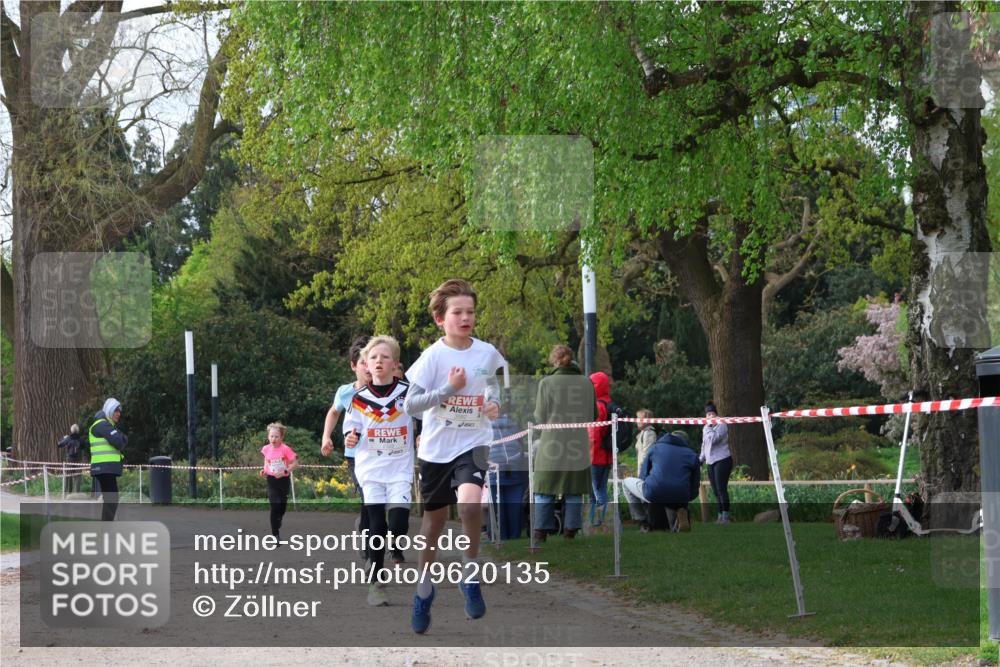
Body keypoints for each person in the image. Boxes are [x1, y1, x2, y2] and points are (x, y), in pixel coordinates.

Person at [403, 278, 506, 633]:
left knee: (470, 505)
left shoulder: (487, 352)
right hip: (435, 449)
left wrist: (494, 403)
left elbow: (494, 384)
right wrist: (449, 389)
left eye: (471, 312)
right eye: (457, 312)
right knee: (433, 524)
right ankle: (424, 589)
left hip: (473, 442)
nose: (466, 318)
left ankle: (470, 571)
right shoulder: (432, 357)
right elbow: (411, 404)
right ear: (439, 319)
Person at [344, 336, 415, 607]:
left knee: (397, 526)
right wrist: (350, 437)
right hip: (370, 469)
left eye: (385, 357)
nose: (379, 362)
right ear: (366, 365)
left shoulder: (408, 393)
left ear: (395, 363)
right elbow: (352, 428)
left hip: (399, 469)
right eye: (373, 358)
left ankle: (391, 544)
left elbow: (425, 415)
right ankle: (375, 582)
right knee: (376, 524)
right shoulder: (359, 399)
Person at [533, 345, 593, 542]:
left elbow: (540, 416)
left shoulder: (546, 383)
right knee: (574, 489)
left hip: (552, 442)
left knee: (544, 487)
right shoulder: (586, 383)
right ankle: (570, 532)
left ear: (554, 361)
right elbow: (594, 415)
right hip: (578, 442)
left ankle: (541, 532)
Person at [321, 336, 371, 560]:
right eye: (363, 362)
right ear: (353, 366)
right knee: (368, 497)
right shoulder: (345, 392)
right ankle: (370, 542)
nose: (369, 367)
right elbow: (333, 412)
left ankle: (366, 528)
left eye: (372, 360)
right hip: (355, 455)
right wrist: (326, 437)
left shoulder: (388, 390)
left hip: (384, 454)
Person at [622, 430, 700, 532]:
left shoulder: (655, 448)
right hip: (681, 497)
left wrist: (645, 495)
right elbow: (694, 486)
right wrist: (686, 500)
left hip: (655, 492)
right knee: (674, 504)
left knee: (626, 483)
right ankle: (679, 518)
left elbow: (643, 474)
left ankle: (642, 520)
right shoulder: (692, 455)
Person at [486, 390, 527, 541]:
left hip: (493, 469)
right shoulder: (513, 423)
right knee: (514, 503)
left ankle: (499, 536)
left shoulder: (483, 426)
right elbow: (521, 446)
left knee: (498, 504)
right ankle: (515, 535)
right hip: (514, 467)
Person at [89, 398, 127, 521]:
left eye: (119, 411)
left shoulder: (107, 425)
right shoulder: (102, 424)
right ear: (109, 410)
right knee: (111, 499)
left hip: (105, 468)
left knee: (111, 499)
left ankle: (105, 530)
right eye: (116, 410)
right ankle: (105, 531)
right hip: (104, 467)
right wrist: (120, 437)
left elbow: (123, 439)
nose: (118, 414)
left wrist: (121, 437)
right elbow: (120, 442)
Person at [259, 422, 299, 540]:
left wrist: (285, 471)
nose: (273, 439)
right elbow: (267, 461)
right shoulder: (266, 449)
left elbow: (296, 463)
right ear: (268, 437)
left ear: (281, 437)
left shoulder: (285, 449)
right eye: (271, 436)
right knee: (274, 506)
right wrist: (264, 470)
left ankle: (279, 519)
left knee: (282, 508)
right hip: (271, 480)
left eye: (276, 436)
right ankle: (275, 534)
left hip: (284, 480)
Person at [588, 371, 615, 530]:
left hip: (595, 456)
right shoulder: (608, 403)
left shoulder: (597, 405)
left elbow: (593, 433)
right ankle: (596, 520)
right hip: (606, 456)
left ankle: (601, 522)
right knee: (601, 488)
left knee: (597, 491)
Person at [701, 401, 733, 524]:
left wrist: (708, 428)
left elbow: (714, 439)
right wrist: (700, 459)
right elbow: (704, 445)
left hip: (722, 460)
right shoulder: (705, 427)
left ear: (716, 414)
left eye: (712, 414)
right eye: (707, 415)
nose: (710, 417)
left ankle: (726, 516)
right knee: (715, 490)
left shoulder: (722, 424)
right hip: (710, 462)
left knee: (721, 489)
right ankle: (719, 515)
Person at [58, 424, 85, 494]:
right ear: (78, 430)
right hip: (78, 460)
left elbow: (59, 444)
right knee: (78, 476)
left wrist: (63, 438)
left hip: (70, 460)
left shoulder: (68, 438)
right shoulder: (81, 438)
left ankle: (68, 492)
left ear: (71, 430)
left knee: (68, 476)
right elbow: (83, 447)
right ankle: (77, 492)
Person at [634, 409, 657, 476]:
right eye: (637, 418)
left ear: (647, 420)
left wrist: (642, 473)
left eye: (640, 419)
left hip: (646, 473)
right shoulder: (643, 432)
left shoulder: (649, 433)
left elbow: (646, 456)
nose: (637, 421)